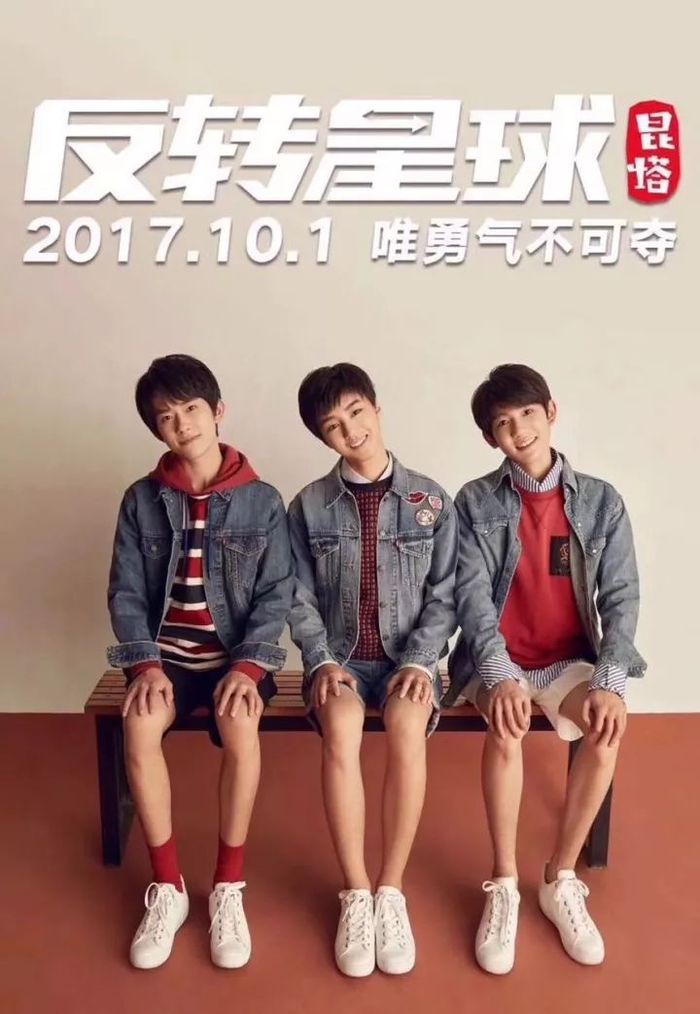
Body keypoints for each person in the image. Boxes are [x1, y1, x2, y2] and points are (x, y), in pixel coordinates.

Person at [445, 363, 646, 973]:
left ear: (551, 412)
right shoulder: (474, 501)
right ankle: (505, 883)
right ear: (491, 438)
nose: (519, 430)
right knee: (506, 728)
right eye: (503, 423)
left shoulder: (602, 501)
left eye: (527, 414)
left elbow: (622, 597)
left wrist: (609, 679)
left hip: (568, 660)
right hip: (497, 660)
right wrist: (500, 673)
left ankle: (560, 878)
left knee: (606, 729)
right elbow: (471, 598)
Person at [107, 354, 293, 969]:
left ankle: (227, 885)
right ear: (156, 430)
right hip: (165, 660)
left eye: (190, 409)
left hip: (235, 660)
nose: (182, 424)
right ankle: (169, 886)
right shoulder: (141, 500)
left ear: (217, 412)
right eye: (165, 417)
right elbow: (126, 592)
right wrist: (145, 665)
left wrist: (249, 669)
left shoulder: (262, 501)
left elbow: (276, 593)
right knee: (139, 727)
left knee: (241, 726)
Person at [287, 363, 457, 977]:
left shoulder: (430, 499)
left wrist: (420, 661)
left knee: (407, 726)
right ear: (323, 437)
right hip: (340, 661)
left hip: (410, 661)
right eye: (333, 426)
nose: (350, 431)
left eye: (356, 412)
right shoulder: (308, 506)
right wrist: (320, 661)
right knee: (341, 727)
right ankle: (356, 893)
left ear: (377, 409)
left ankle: (391, 890)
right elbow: (297, 595)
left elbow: (445, 594)